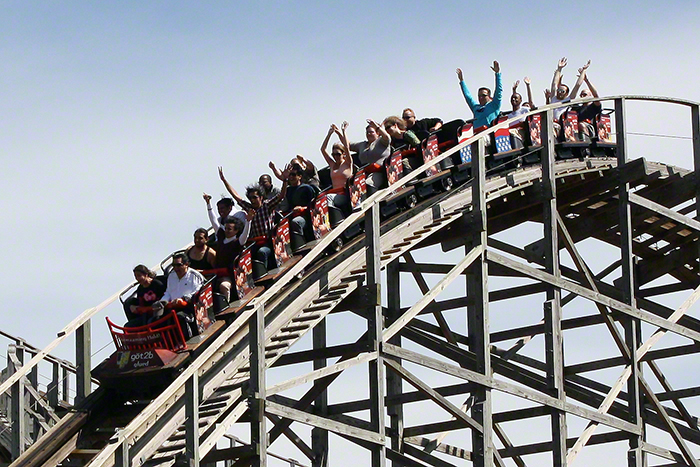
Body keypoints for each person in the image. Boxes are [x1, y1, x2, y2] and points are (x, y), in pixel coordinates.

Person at [218, 165, 289, 272]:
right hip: (254, 242)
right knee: (243, 257)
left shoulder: (267, 205)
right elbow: (235, 195)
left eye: (255, 197)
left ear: (261, 197)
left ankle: (265, 273)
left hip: (268, 241)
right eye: (250, 198)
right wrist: (224, 181)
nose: (252, 200)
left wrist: (285, 181)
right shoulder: (249, 208)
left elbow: (281, 196)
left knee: (262, 252)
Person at [152, 253, 205, 337]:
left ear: (186, 264)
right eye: (174, 265)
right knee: (157, 319)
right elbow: (168, 292)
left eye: (179, 265)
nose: (176, 268)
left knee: (179, 316)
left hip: (190, 306)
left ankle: (187, 339)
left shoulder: (195, 276)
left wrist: (183, 299)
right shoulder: (172, 276)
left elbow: (197, 292)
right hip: (172, 306)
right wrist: (163, 301)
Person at [214, 212, 253, 302]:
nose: (226, 231)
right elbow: (214, 222)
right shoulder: (221, 237)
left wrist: (248, 221)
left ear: (236, 231)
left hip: (231, 275)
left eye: (229, 229)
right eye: (226, 228)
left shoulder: (237, 242)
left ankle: (226, 306)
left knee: (224, 286)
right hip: (218, 273)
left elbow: (245, 235)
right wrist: (208, 205)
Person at [456, 61, 502, 130]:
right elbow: (468, 96)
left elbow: (498, 91)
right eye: (479, 96)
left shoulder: (494, 105)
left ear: (489, 97)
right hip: (477, 136)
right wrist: (462, 81)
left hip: (490, 135)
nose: (481, 97)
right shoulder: (476, 107)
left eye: (483, 95)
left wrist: (497, 74)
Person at [349, 119, 391, 192]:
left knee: (368, 183)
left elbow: (387, 137)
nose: (368, 134)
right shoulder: (362, 145)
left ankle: (373, 202)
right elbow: (348, 145)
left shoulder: (382, 141)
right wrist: (341, 133)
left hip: (380, 172)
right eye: (367, 132)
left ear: (378, 133)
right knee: (354, 187)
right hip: (365, 173)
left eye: (371, 132)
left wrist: (376, 126)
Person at [320, 122, 353, 212]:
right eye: (333, 154)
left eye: (338, 154)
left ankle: (334, 215)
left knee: (328, 198)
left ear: (343, 154)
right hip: (335, 194)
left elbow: (346, 146)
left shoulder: (347, 163)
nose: (335, 157)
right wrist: (329, 134)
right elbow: (322, 150)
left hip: (346, 194)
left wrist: (342, 132)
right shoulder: (332, 164)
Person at [283, 163, 318, 242]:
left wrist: (302, 208)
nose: (291, 177)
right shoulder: (288, 190)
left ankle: (301, 244)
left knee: (296, 222)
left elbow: (315, 205)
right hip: (292, 215)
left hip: (306, 216)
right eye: (289, 175)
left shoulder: (306, 188)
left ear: (299, 176)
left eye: (293, 175)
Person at [574, 68, 602, 138]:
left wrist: (586, 81)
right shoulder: (577, 108)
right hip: (577, 129)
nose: (582, 96)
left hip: (589, 128)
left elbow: (596, 95)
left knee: (581, 125)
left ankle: (586, 143)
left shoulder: (594, 106)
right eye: (581, 95)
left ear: (590, 95)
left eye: (585, 94)